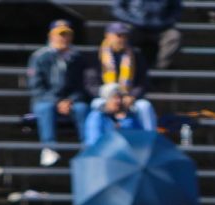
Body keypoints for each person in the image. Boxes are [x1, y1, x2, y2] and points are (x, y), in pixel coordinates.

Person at [27, 19, 95, 167]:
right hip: (46, 100)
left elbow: (83, 85)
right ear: (51, 36)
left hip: (72, 101)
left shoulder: (78, 58)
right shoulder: (40, 57)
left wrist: (70, 100)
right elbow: (36, 87)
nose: (63, 38)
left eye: (66, 34)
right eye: (59, 34)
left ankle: (87, 148)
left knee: (83, 108)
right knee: (45, 108)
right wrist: (57, 101)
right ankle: (49, 148)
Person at [93, 22, 156, 129]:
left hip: (129, 96)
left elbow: (143, 82)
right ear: (108, 35)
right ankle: (96, 142)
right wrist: (110, 98)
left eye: (125, 36)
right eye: (118, 35)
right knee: (97, 104)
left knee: (144, 106)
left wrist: (132, 96)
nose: (122, 39)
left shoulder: (135, 55)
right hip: (105, 97)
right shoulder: (96, 55)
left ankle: (149, 139)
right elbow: (91, 83)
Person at [111, 0, 182, 70]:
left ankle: (159, 69)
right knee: (121, 34)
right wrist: (135, 21)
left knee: (173, 36)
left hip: (161, 29)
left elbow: (176, 10)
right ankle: (122, 66)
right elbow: (117, 9)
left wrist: (162, 23)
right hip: (135, 27)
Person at [81, 82, 153, 145]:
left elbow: (139, 138)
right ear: (106, 100)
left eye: (120, 98)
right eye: (114, 98)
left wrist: (125, 122)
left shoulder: (129, 117)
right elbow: (93, 142)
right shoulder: (96, 117)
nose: (119, 101)